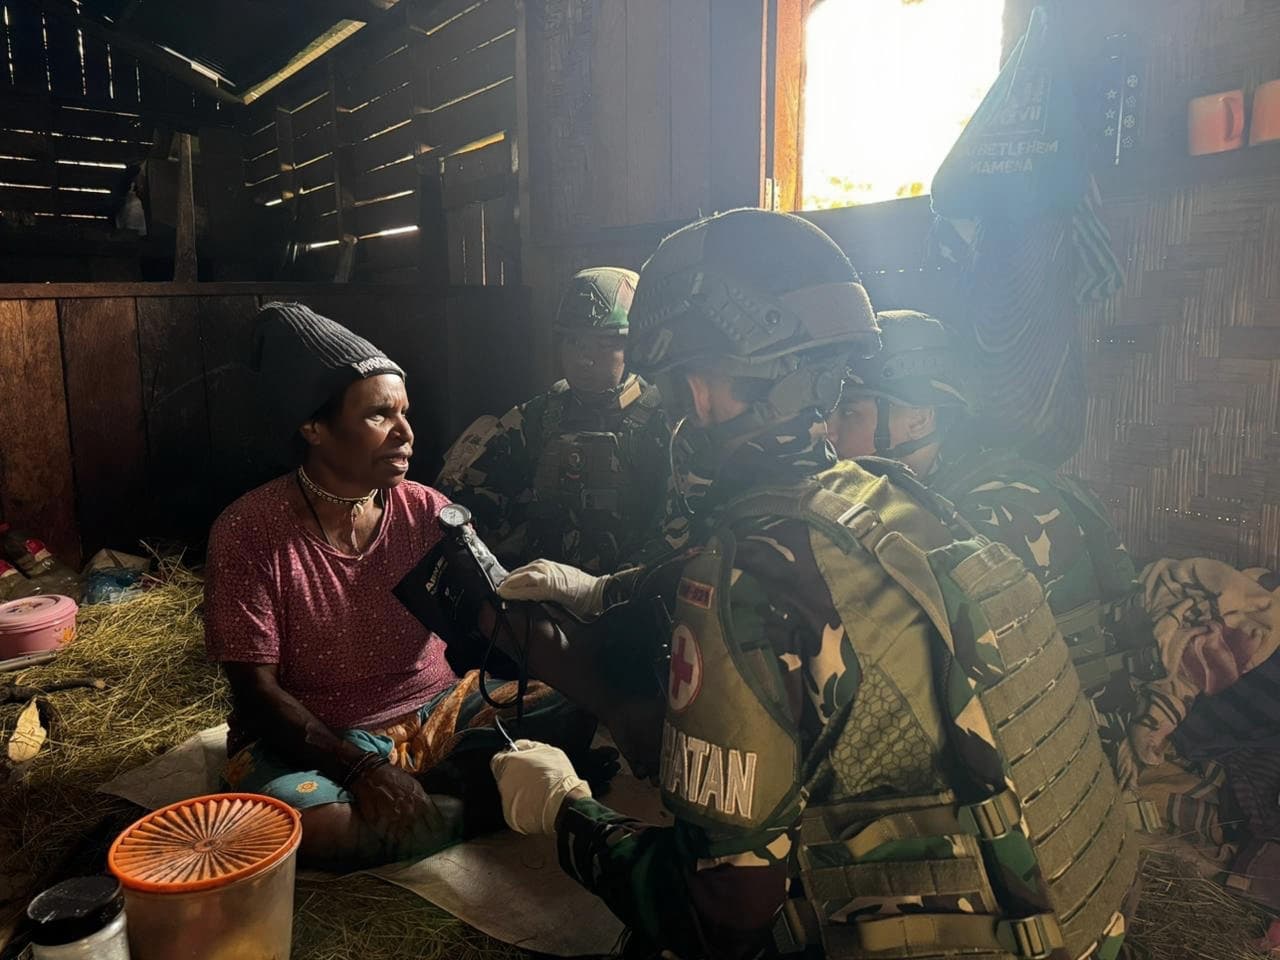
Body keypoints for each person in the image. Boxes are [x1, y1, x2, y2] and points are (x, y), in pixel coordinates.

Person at [485, 212, 1137, 959]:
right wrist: (599, 591)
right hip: (1066, 921)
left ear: (699, 392)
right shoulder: (901, 501)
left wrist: (566, 811)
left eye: (670, 391)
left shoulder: (742, 577)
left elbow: (719, 914)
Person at [203, 302, 602, 870]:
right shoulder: (249, 531)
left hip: (438, 711)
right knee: (310, 830)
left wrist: (610, 696)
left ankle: (425, 809)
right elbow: (256, 694)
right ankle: (486, 804)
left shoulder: (426, 511)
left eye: (405, 413)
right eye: (378, 415)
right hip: (318, 736)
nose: (406, 434)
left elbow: (499, 617)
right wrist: (364, 771)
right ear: (313, 427)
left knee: (568, 707)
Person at [825, 310, 1159, 765]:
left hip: (1070, 740)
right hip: (1041, 714)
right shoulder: (952, 485)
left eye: (850, 412)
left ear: (919, 418)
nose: (831, 430)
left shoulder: (994, 509)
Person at [437, 267, 674, 575]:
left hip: (624, 593)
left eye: (603, 344)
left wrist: (611, 590)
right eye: (574, 342)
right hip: (537, 587)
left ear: (634, 348)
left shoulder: (663, 423)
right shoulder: (540, 416)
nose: (584, 358)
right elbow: (478, 496)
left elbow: (675, 533)